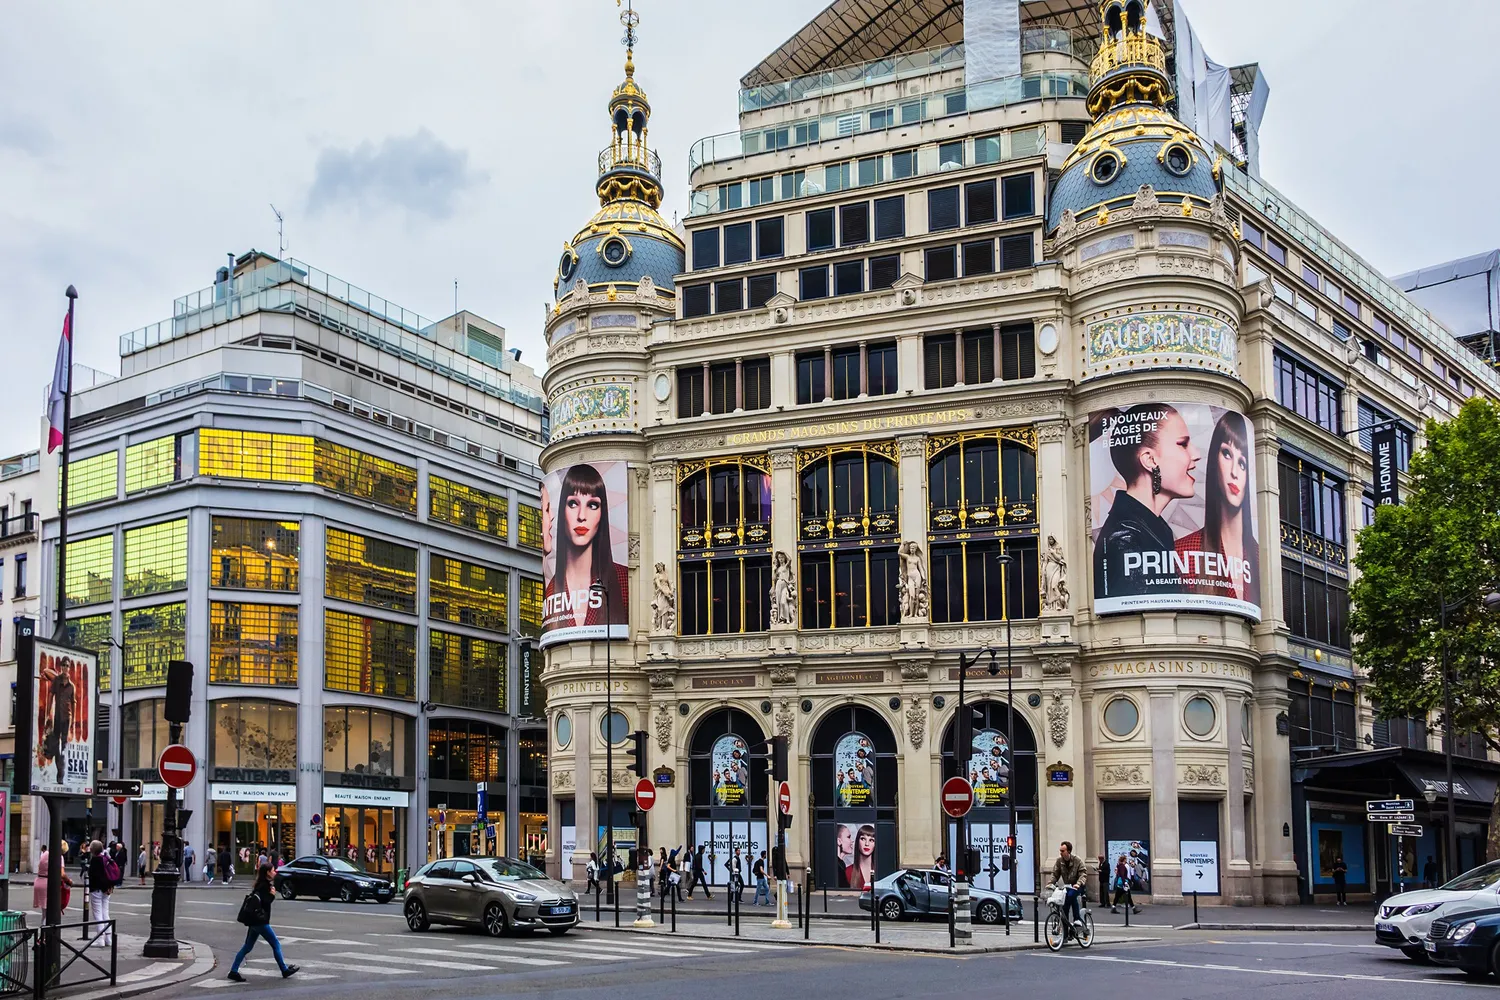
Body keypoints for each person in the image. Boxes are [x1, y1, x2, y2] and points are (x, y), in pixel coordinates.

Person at [1093, 404, 1200, 600]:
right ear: (1150, 460)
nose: (1196, 455)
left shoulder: (1148, 528)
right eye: (1183, 444)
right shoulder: (1125, 539)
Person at [1173, 411, 1259, 606]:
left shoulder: (1259, 558)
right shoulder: (1182, 552)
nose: (1234, 472)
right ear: (1214, 459)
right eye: (1227, 453)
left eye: (1242, 463)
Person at [541, 464, 629, 634]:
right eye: (573, 504)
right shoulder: (552, 588)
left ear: (602, 513)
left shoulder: (622, 579)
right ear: (562, 511)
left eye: (593, 505)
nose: (582, 516)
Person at [226, 864, 298, 982]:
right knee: (275, 944)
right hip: (260, 921)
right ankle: (284, 970)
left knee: (247, 947)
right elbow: (265, 903)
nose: (275, 872)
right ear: (268, 873)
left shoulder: (259, 884)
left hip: (254, 921)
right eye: (273, 870)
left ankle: (234, 971)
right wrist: (272, 895)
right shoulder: (265, 886)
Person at [1051, 841, 1087, 929]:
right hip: (1067, 886)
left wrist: (1078, 884)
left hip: (1078, 885)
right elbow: (1055, 873)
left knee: (1071, 896)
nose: (1061, 853)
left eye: (1063, 851)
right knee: (1064, 906)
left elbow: (1083, 873)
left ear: (1069, 851)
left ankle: (1077, 919)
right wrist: (1050, 883)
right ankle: (1065, 934)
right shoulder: (1059, 861)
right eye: (1060, 851)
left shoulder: (1077, 860)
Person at [86, 841, 114, 947]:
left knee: (98, 914)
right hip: (106, 889)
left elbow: (94, 875)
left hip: (97, 889)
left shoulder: (95, 860)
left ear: (93, 850)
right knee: (105, 912)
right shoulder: (106, 858)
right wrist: (108, 886)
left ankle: (100, 939)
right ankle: (109, 938)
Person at [34, 847, 74, 913]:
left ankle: (44, 923)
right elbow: (62, 874)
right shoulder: (59, 857)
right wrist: (69, 882)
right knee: (51, 912)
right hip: (48, 884)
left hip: (39, 881)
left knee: (45, 914)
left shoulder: (45, 853)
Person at [845, 825, 876, 891]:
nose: (867, 844)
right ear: (857, 842)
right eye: (863, 839)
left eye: (871, 840)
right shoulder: (848, 872)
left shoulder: (880, 872)